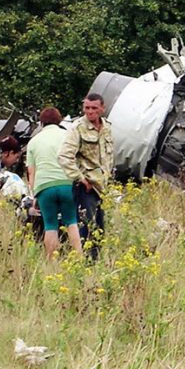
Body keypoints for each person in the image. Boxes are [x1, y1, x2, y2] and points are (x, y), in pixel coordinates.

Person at [58, 93, 114, 261]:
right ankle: (85, 262)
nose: (90, 112)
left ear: (102, 108)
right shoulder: (77, 128)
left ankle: (96, 262)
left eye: (94, 108)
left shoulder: (107, 127)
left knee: (99, 228)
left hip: (102, 187)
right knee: (86, 228)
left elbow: (109, 156)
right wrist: (80, 178)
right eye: (87, 108)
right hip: (86, 187)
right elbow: (64, 156)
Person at [26, 107, 84, 258]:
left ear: (41, 122)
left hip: (45, 187)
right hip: (67, 183)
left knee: (50, 225)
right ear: (60, 120)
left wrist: (34, 195)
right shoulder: (68, 135)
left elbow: (31, 171)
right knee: (71, 222)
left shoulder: (33, 141)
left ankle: (52, 262)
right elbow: (77, 160)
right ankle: (78, 258)